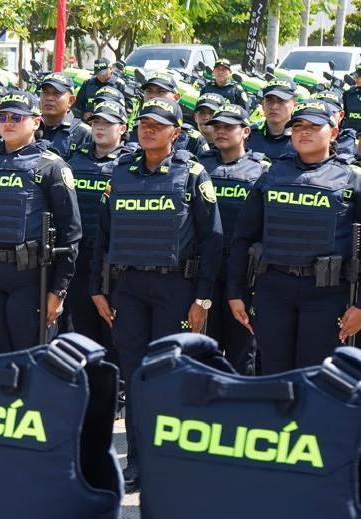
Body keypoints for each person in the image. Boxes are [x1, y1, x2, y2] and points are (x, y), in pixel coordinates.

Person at [89, 98, 222, 491]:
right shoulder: (121, 172)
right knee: (136, 376)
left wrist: (202, 298)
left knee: (169, 375)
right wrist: (98, 287)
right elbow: (103, 235)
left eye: (158, 125)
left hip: (175, 288)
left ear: (176, 133)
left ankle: (171, 461)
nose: (148, 130)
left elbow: (212, 240)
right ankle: (137, 462)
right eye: (143, 123)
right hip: (129, 288)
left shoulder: (192, 173)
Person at [228, 101, 361, 373]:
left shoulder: (353, 179)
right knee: (274, 375)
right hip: (273, 290)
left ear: (334, 133)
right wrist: (235, 291)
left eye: (314, 126)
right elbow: (243, 237)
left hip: (327, 295)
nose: (304, 132)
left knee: (316, 376)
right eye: (298, 126)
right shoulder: (272, 175)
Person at [0, 90, 80, 352]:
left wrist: (59, 291)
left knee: (29, 357)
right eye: (3, 117)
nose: (8, 123)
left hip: (29, 279)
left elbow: (71, 233)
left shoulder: (51, 166)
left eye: (17, 117)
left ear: (35, 122)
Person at [197, 103, 268, 375]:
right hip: (205, 268)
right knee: (204, 350)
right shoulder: (199, 167)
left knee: (242, 351)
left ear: (246, 131)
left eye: (228, 127)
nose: (221, 131)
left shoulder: (262, 170)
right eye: (217, 126)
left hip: (243, 271)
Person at [66, 100, 132, 352]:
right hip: (79, 254)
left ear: (122, 128)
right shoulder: (75, 159)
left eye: (107, 123)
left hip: (113, 258)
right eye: (96, 122)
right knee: (83, 327)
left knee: (115, 330)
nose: (100, 127)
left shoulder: (131, 163)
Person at [129, 71, 210, 157]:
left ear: (176, 97)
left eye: (161, 91)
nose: (153, 96)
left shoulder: (192, 139)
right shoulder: (138, 129)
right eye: (149, 91)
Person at [38, 73, 93, 158]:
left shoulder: (84, 134)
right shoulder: (29, 126)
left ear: (71, 100)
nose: (49, 98)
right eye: (45, 92)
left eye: (56, 93)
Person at [247, 79, 296, 159]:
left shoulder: (302, 137)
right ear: (262, 104)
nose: (274, 107)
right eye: (270, 100)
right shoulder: (248, 134)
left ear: (294, 105)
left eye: (281, 101)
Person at [341, 63, 361, 132]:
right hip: (349, 134)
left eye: (359, 76)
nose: (356, 78)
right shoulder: (348, 94)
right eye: (356, 76)